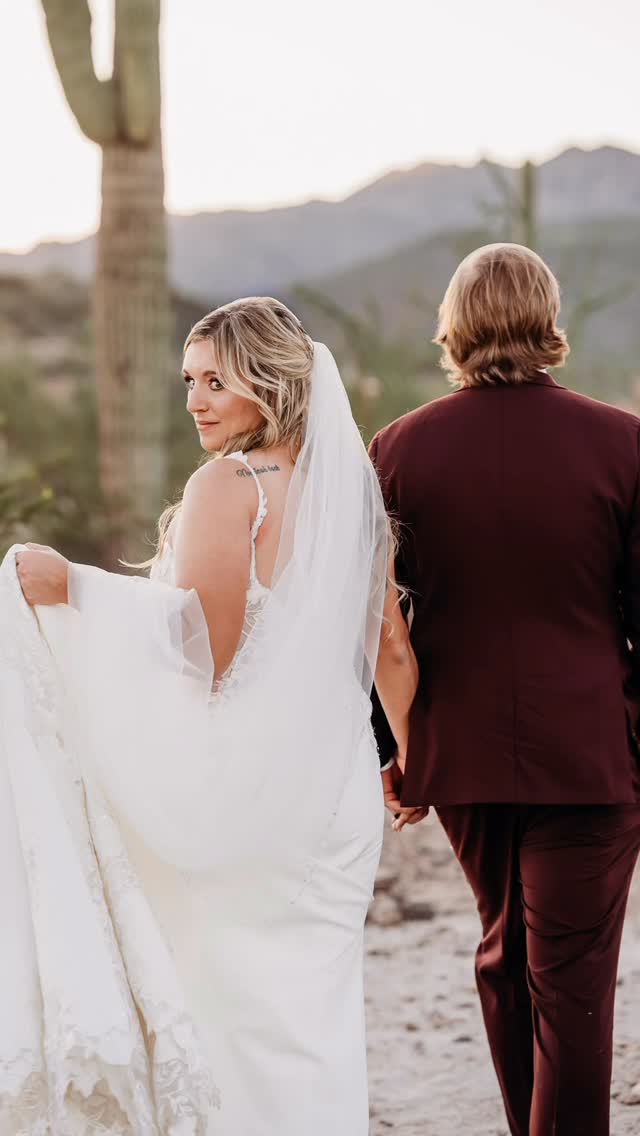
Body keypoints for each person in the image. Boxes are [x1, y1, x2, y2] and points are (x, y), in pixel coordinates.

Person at [4, 298, 418, 1135]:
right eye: (188, 380)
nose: (194, 400)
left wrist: (74, 590)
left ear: (267, 383)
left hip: (245, 804)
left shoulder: (230, 485)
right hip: (334, 801)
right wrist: (410, 762)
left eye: (215, 381)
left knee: (230, 1021)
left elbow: (204, 652)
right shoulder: (350, 497)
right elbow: (393, 654)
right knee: (312, 1022)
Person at [369, 244, 640, 1136]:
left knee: (504, 953)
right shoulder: (623, 443)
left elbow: (382, 625)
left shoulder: (399, 450)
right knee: (571, 982)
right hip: (593, 754)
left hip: (463, 755)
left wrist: (399, 748)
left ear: (456, 324)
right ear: (548, 318)